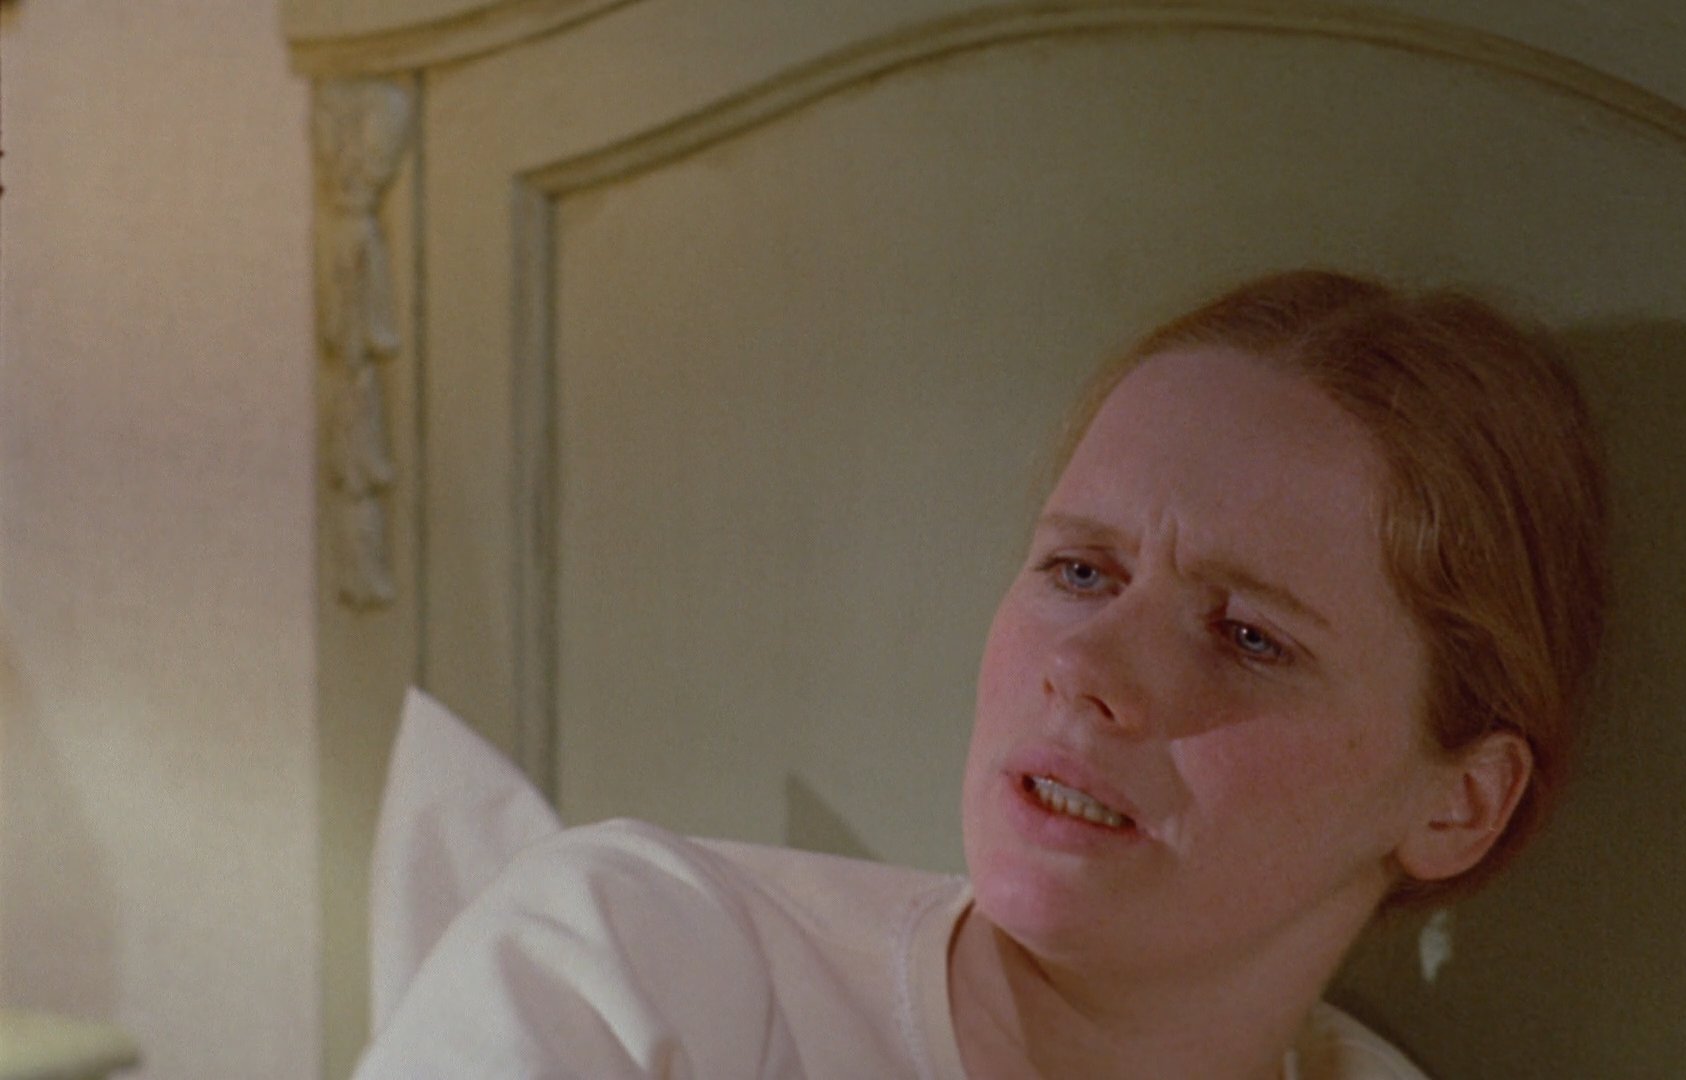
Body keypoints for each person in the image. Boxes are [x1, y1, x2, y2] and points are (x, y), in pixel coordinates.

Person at [353, 269, 1608, 1079]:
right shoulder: (637, 964)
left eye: (1248, 639)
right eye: (1080, 571)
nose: (1087, 668)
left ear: (1460, 803)